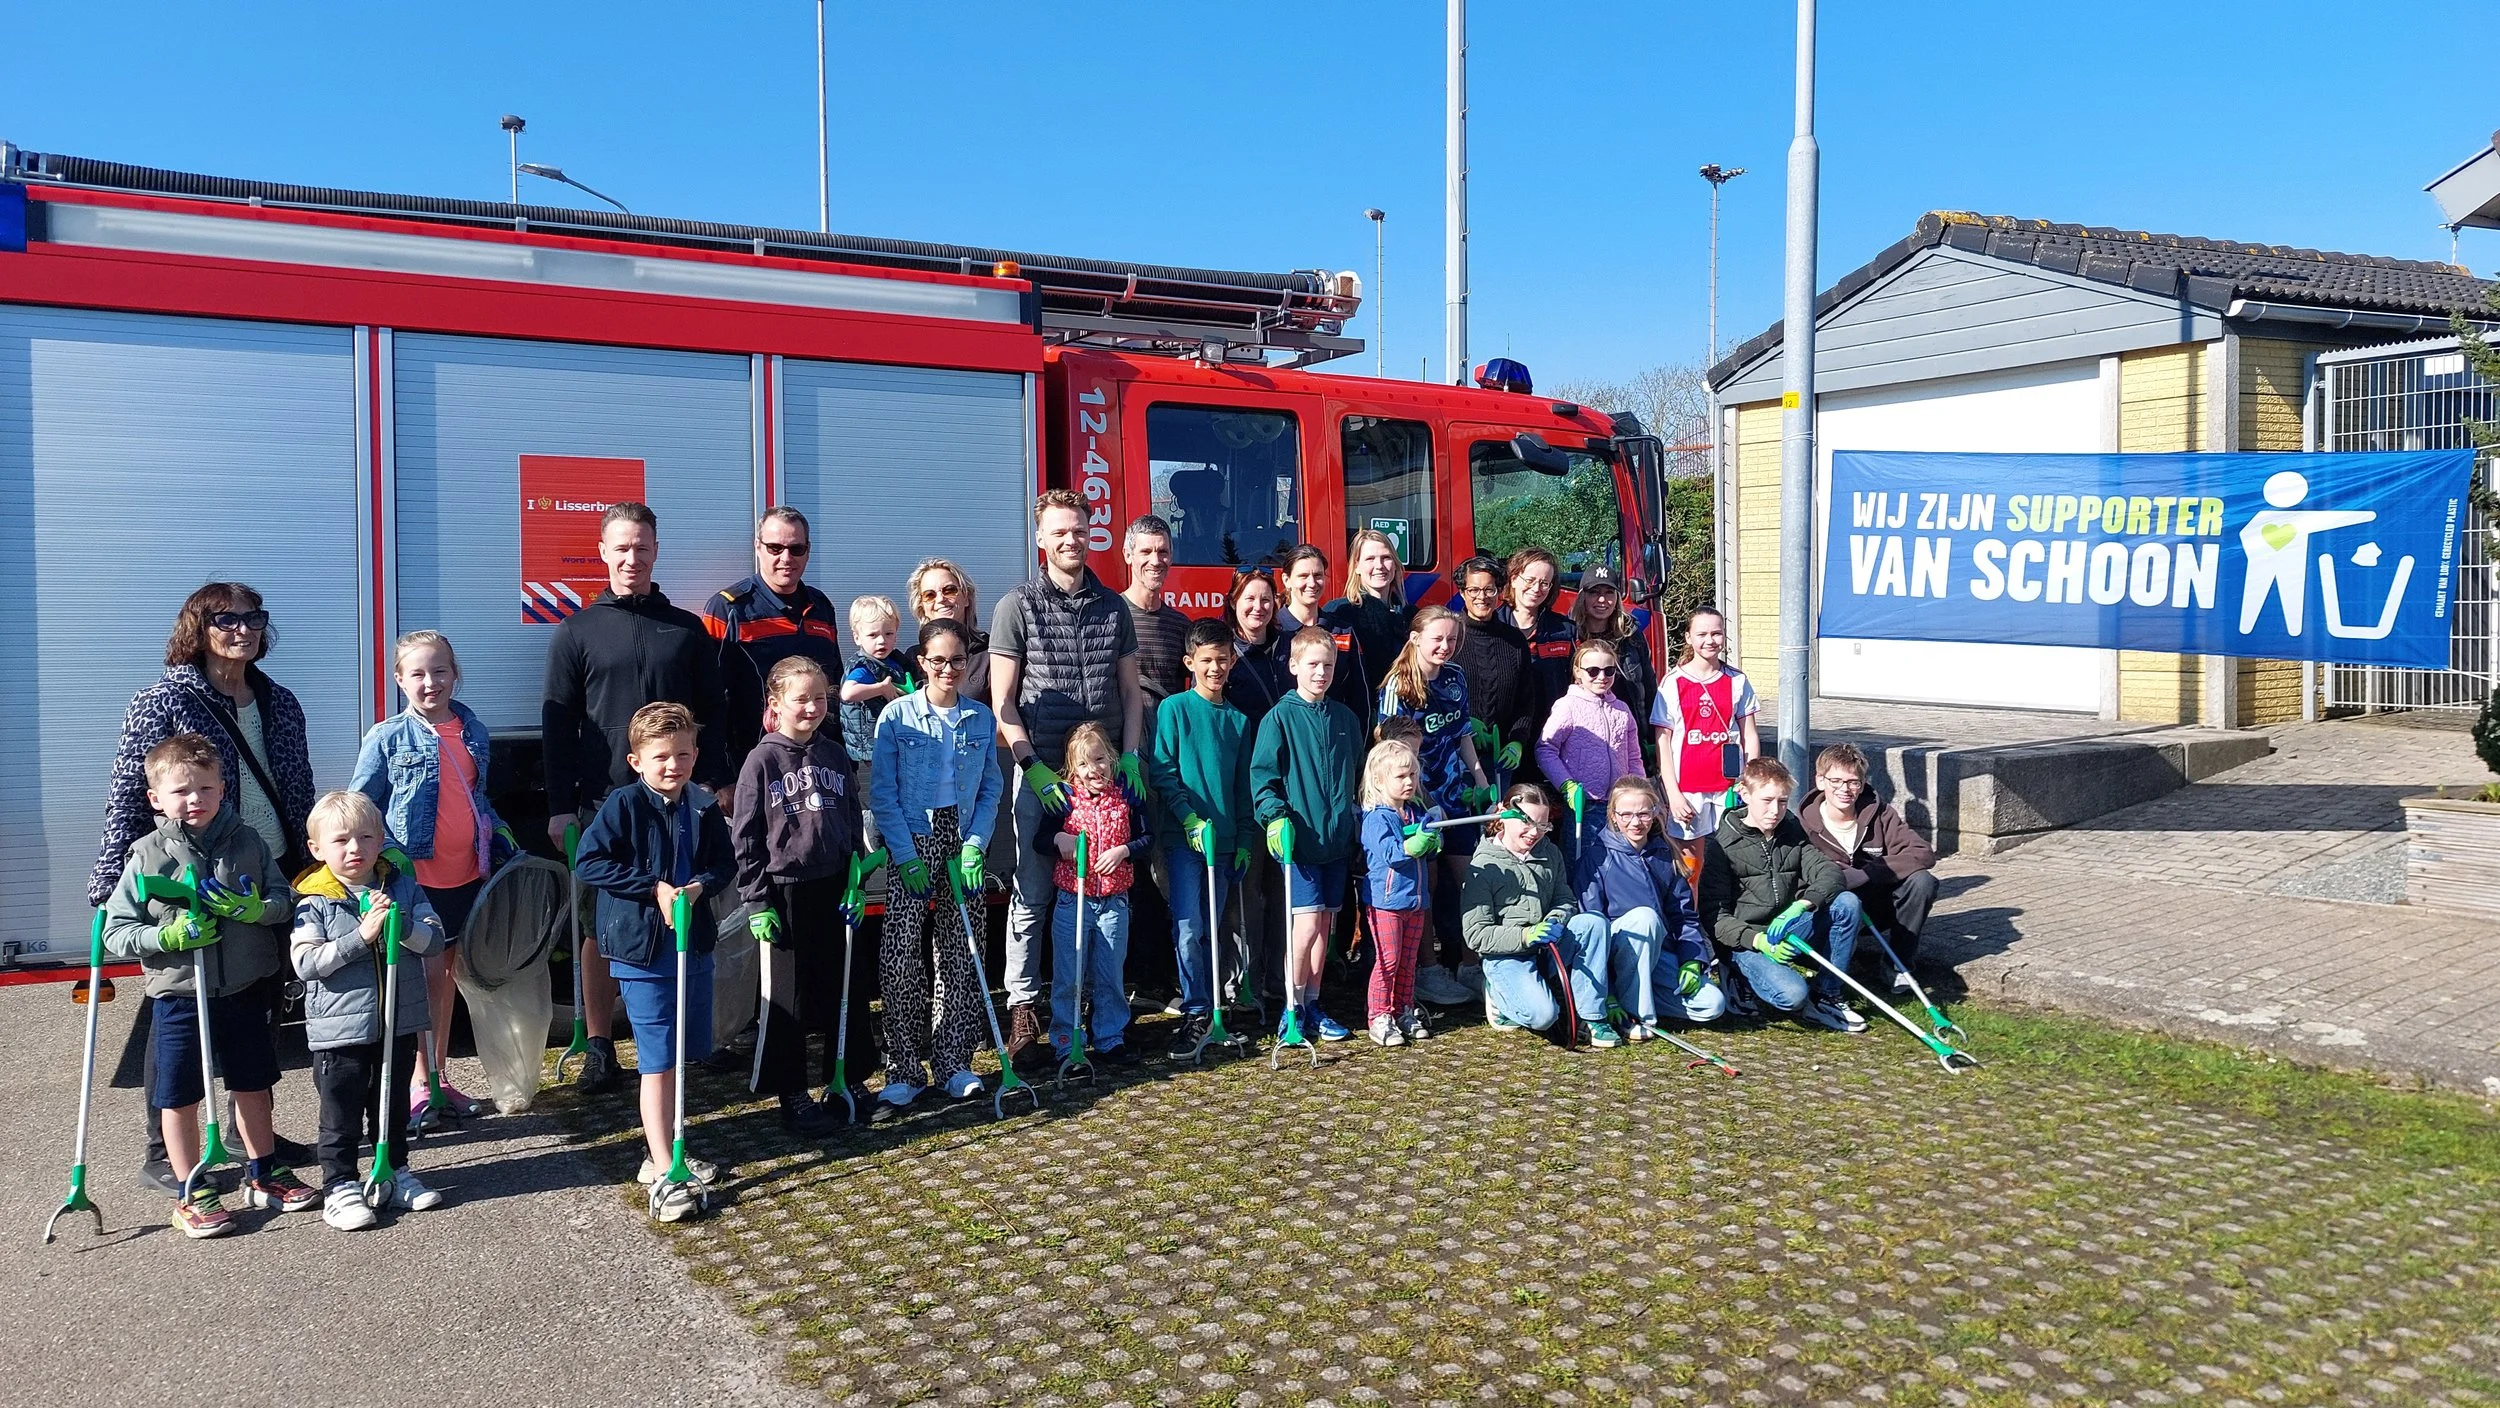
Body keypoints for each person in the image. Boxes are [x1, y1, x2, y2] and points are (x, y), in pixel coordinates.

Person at [93, 584, 318, 1194]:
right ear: (198, 626)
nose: (243, 629)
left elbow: (298, 783)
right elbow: (129, 794)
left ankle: (252, 1138)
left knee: (255, 998)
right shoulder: (162, 700)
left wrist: (310, 860)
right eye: (227, 619)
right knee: (176, 1009)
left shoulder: (280, 700)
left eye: (254, 618)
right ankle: (162, 1152)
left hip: (265, 863)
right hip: (183, 868)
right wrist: (111, 880)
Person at [543, 502, 729, 1095]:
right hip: (606, 799)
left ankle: (685, 1037)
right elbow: (558, 725)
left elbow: (713, 711)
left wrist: (714, 780)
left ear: (655, 551)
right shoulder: (577, 631)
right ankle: (600, 1045)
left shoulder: (686, 629)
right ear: (603, 552)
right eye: (621, 547)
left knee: (688, 907)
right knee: (601, 923)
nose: (632, 558)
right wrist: (560, 804)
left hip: (681, 798)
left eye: (641, 547)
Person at [101, 734, 312, 1238]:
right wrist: (165, 936)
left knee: (253, 1083)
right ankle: (190, 1189)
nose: (195, 799)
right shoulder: (146, 855)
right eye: (181, 791)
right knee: (178, 1095)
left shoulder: (249, 842)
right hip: (179, 995)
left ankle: (263, 1172)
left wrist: (259, 910)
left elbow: (285, 899)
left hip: (244, 988)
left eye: (206, 788)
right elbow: (115, 931)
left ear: (223, 789)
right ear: (156, 798)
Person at [991, 489, 1145, 1069]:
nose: (1070, 540)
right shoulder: (1017, 606)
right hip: (1045, 777)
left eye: (1078, 530)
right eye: (1059, 532)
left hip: (1103, 776)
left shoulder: (1114, 608)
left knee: (1109, 895)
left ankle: (1103, 1018)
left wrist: (1131, 758)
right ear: (1041, 539)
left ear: (1091, 534)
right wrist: (1030, 765)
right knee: (1034, 896)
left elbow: (1130, 693)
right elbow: (1003, 701)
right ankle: (1024, 1010)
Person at [572, 702, 737, 1222]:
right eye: (661, 756)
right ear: (636, 760)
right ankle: (664, 1165)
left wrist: (699, 886)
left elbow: (723, 864)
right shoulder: (623, 805)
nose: (673, 765)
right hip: (641, 952)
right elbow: (589, 861)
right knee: (657, 1059)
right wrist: (654, 888)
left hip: (692, 944)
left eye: (683, 755)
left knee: (682, 1054)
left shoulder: (703, 806)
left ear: (696, 755)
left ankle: (666, 1144)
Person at [351, 630, 518, 1130]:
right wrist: (382, 862)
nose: (431, 682)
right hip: (415, 880)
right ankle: (417, 1083)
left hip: (466, 875)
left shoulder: (473, 730)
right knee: (419, 982)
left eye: (440, 671)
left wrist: (499, 833)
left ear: (455, 674)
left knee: (446, 981)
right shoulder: (386, 737)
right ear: (399, 680)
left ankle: (439, 1075)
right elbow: (361, 808)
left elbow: (476, 797)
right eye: (418, 673)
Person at [290, 790, 448, 1230]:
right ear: (317, 849)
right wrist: (361, 937)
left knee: (392, 1105)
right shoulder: (314, 900)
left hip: (398, 1021)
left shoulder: (401, 886)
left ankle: (394, 1172)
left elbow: (434, 939)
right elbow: (306, 963)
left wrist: (400, 924)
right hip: (340, 1031)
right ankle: (340, 1186)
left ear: (381, 841)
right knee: (340, 1113)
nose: (354, 848)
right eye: (340, 840)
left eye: (365, 837)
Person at [868, 618, 1005, 1108]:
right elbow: (883, 793)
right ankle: (904, 1067)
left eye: (958, 660)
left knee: (963, 949)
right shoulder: (897, 716)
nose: (949, 669)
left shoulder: (980, 718)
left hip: (961, 835)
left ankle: (954, 1062)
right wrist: (905, 856)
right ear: (922, 663)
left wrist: (976, 844)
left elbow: (990, 788)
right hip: (913, 835)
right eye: (939, 660)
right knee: (902, 954)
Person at [731, 657, 870, 1137]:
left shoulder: (834, 753)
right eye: (800, 699)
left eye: (819, 698)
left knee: (844, 986)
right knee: (786, 998)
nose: (811, 708)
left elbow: (851, 814)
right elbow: (746, 836)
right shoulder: (761, 761)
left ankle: (847, 1078)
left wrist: (856, 872)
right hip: (784, 891)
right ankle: (791, 1091)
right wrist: (756, 900)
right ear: (775, 703)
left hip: (834, 885)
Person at [1249, 626, 1365, 1045]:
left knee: (1325, 927)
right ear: (1294, 666)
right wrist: (1275, 817)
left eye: (1328, 665)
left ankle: (1313, 1004)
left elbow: (1357, 778)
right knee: (1306, 926)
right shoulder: (1279, 718)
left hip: (1336, 843)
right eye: (1313, 664)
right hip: (1299, 843)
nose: (1321, 673)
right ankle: (1291, 1007)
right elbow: (1263, 778)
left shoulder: (1345, 719)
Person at [1377, 605, 1493, 1011]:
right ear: (1415, 639)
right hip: (1417, 799)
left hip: (1456, 795)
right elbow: (1391, 751)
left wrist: (1481, 782)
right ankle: (1427, 970)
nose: (1445, 646)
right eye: (1437, 639)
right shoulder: (1398, 687)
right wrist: (1421, 803)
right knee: (1423, 884)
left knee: (1470, 879)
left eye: (1452, 639)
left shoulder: (1456, 677)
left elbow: (1463, 736)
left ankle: (1470, 964)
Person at [1149, 617, 1255, 1056]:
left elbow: (1243, 788)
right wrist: (1188, 818)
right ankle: (1194, 1010)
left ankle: (1214, 1008)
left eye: (1223, 660)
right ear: (1190, 661)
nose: (1216, 668)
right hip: (1184, 840)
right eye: (1207, 660)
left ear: (1232, 661)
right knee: (1188, 927)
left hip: (1225, 843)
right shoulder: (1173, 709)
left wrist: (1244, 839)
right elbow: (1163, 771)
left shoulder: (1239, 721)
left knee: (1213, 928)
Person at [1699, 758, 1867, 1033]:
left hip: (1788, 926)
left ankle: (1827, 995)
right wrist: (1758, 941)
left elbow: (1830, 873)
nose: (1775, 811)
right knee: (1792, 996)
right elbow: (1714, 917)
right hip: (1747, 940)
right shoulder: (1721, 845)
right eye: (1766, 800)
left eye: (1782, 801)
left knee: (1847, 902)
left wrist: (1802, 904)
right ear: (1745, 794)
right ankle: (1737, 974)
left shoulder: (1790, 829)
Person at [1458, 782, 1620, 1046]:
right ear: (1503, 814)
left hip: (1546, 948)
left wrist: (1555, 919)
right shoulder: (1484, 865)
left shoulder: (1550, 852)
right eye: (1527, 822)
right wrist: (1525, 936)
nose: (1535, 832)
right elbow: (1476, 935)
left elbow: (1564, 899)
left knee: (1593, 923)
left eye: (1543, 825)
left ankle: (1592, 1017)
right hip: (1507, 956)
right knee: (1544, 1017)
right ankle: (1500, 996)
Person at [1575, 776, 1724, 1038]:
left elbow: (1684, 916)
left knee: (1712, 1004)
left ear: (1655, 813)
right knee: (1645, 918)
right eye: (1626, 814)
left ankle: (1640, 995)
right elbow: (1591, 929)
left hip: (1658, 955)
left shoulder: (1665, 854)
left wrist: (1692, 959)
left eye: (1643, 814)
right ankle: (1639, 1016)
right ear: (1614, 815)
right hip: (1615, 956)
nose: (1635, 822)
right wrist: (1606, 991)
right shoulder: (1597, 857)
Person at [1039, 722, 1151, 1064]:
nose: (1094, 770)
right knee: (1068, 976)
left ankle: (1109, 1037)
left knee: (1110, 975)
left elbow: (1148, 838)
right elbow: (1040, 840)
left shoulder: (1127, 796)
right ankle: (1066, 1039)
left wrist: (1124, 851)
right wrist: (1060, 839)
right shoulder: (1064, 799)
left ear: (1112, 758)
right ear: (1073, 768)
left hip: (1114, 902)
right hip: (1072, 901)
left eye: (1100, 759)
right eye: (1084, 764)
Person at [706, 506, 848, 767]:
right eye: (775, 548)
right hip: (755, 766)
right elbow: (709, 699)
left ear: (808, 551)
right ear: (758, 547)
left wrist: (843, 762)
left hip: (820, 763)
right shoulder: (729, 608)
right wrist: (720, 775)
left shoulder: (821, 607)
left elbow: (834, 687)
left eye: (796, 549)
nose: (786, 558)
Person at [1796, 742, 1938, 996]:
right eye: (1836, 781)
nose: (1844, 789)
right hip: (1831, 905)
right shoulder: (1800, 824)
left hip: (1875, 901)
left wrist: (1866, 874)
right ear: (1820, 781)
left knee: (1922, 881)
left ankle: (1897, 965)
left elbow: (1923, 852)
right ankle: (1829, 964)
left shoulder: (1880, 814)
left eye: (1853, 782)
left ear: (1862, 784)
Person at [1118, 514, 1189, 1006]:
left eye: (1162, 551)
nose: (1155, 560)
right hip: (1129, 758)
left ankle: (1167, 975)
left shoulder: (1179, 625)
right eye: (1145, 551)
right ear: (1128, 555)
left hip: (1169, 758)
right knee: (1134, 863)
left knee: (1166, 861)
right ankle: (1140, 976)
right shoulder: (1113, 615)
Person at [1222, 567, 1291, 1014]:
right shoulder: (1225, 656)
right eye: (1249, 598)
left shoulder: (1288, 652)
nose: (1258, 607)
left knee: (1283, 890)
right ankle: (1242, 982)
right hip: (1242, 788)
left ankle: (1279, 981)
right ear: (1234, 603)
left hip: (1287, 788)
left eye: (1266, 599)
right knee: (1246, 893)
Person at [1652, 605, 1760, 873]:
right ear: (1688, 637)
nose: (1710, 640)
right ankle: (1693, 902)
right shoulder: (1672, 682)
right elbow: (1663, 742)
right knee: (1690, 865)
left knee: (1735, 859)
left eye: (1716, 633)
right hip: (1688, 789)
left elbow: (1749, 734)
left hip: (1729, 787)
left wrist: (1749, 782)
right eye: (1702, 634)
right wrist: (1673, 794)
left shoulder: (1737, 680)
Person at [1356, 738, 1435, 1047]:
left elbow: (1426, 846)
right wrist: (1412, 846)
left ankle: (1403, 1009)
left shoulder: (1414, 812)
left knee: (1408, 960)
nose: (1409, 782)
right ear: (1379, 780)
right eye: (1401, 776)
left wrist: (1432, 840)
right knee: (1388, 961)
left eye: (1412, 775)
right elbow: (1390, 853)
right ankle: (1379, 1016)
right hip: (1386, 902)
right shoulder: (1376, 817)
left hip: (1415, 901)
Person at [1536, 640, 1644, 858]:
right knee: (1582, 864)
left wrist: (1639, 790)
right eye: (1593, 671)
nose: (1601, 677)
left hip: (1620, 805)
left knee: (1621, 862)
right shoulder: (1568, 706)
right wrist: (1566, 784)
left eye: (1609, 670)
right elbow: (1545, 748)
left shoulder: (1622, 709)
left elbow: (1633, 757)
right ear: (1578, 672)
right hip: (1584, 806)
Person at [839, 594, 915, 853]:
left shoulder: (894, 661)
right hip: (871, 739)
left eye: (888, 634)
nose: (882, 641)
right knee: (886, 785)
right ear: (857, 637)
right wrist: (880, 688)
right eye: (873, 635)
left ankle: (889, 826)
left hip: (889, 736)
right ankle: (872, 824)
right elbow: (848, 692)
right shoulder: (864, 666)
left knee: (896, 783)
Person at [1452, 555, 1533, 789]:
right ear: (1462, 592)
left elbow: (1526, 701)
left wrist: (1517, 741)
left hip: (1500, 759)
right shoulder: (1450, 637)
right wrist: (1463, 723)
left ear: (1499, 592)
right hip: (1454, 757)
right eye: (1474, 590)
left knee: (1495, 813)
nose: (1482, 596)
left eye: (1489, 589)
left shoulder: (1514, 641)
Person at [1318, 529, 1412, 729]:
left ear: (1396, 565)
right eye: (1370, 559)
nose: (1379, 566)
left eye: (1386, 558)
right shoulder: (1339, 613)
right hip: (1354, 723)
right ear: (1357, 567)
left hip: (1403, 724)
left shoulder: (1410, 616)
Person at [1570, 565, 1657, 767]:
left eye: (1609, 592)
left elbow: (1649, 687)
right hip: (1584, 741)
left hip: (1629, 739)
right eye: (1594, 593)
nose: (1602, 600)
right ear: (1583, 597)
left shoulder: (1632, 636)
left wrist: (1653, 738)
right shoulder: (1570, 637)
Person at [1501, 548, 1579, 770]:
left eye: (1545, 583)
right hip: (1506, 743)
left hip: (1552, 742)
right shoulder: (1493, 628)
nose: (1536, 588)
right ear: (1513, 579)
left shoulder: (1565, 631)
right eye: (1530, 580)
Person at [1276, 545, 1370, 722]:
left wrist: (1357, 736)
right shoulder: (1274, 630)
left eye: (1318, 575)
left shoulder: (1343, 632)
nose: (1312, 583)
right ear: (1287, 580)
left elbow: (1360, 694)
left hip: (1334, 729)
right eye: (1303, 576)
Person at [907, 558, 992, 704]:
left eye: (950, 590)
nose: (940, 599)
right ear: (922, 606)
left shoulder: (990, 653)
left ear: (966, 597)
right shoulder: (912, 657)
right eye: (930, 595)